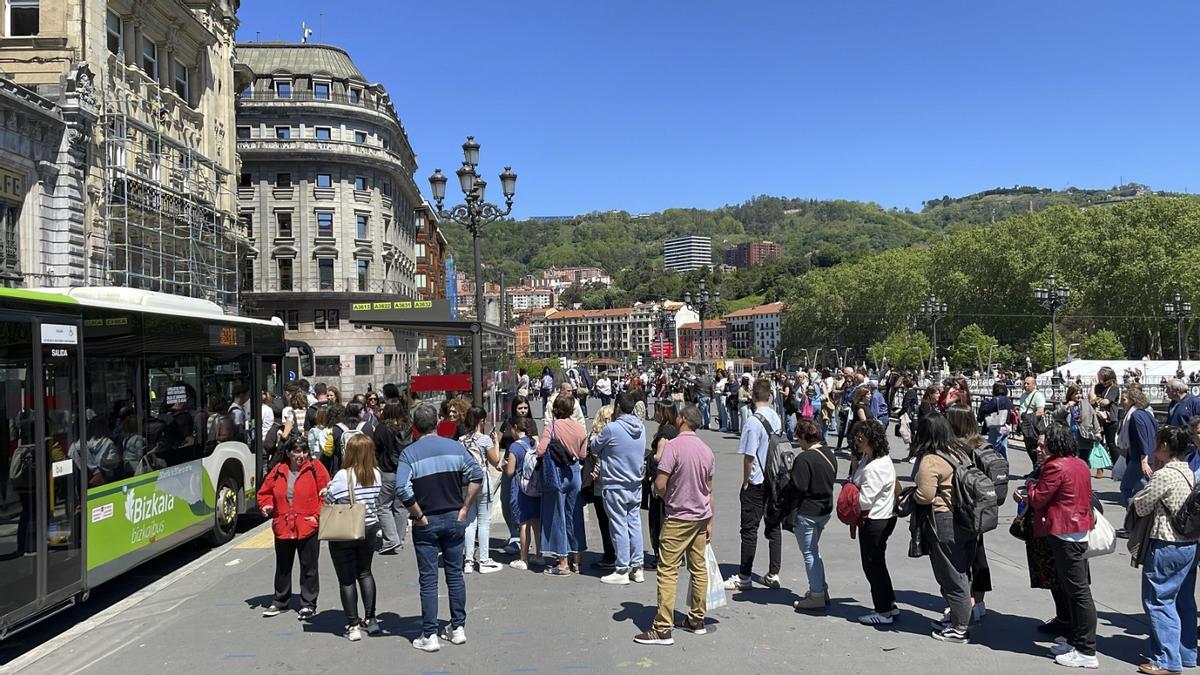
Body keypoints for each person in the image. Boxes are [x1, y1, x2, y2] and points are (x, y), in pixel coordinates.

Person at [396, 403, 484, 652]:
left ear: (415, 427)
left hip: (426, 521)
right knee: (455, 575)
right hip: (454, 516)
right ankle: (458, 628)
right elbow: (477, 474)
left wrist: (418, 514)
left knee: (429, 579)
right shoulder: (455, 447)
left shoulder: (409, 454)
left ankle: (429, 634)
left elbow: (401, 488)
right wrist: (465, 507)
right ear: (437, 423)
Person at [1017, 423, 1099, 670]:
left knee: (1078, 591)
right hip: (1077, 528)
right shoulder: (1078, 463)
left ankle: (1086, 649)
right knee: (1074, 589)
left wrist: (1029, 487)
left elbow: (1038, 498)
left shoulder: (1055, 466)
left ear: (1054, 444)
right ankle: (1077, 642)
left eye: (1044, 444)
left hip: (1064, 531)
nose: (1040, 448)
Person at [634, 405, 715, 646]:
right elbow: (709, 490)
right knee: (697, 567)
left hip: (678, 516)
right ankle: (696, 618)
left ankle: (662, 628)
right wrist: (710, 520)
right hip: (700, 516)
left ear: (682, 420)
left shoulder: (674, 447)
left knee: (668, 569)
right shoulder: (707, 451)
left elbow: (660, 483)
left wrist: (668, 497)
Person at [1133, 427, 1198, 675]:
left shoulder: (1164, 475)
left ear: (1164, 447)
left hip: (1166, 542)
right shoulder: (1188, 471)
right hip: (1189, 543)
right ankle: (1186, 654)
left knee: (1158, 601)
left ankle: (1167, 660)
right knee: (1183, 600)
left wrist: (1135, 501)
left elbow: (1142, 505)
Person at [911, 414, 977, 644]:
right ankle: (960, 618)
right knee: (962, 569)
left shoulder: (931, 459)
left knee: (950, 573)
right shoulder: (959, 451)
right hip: (965, 517)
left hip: (943, 518)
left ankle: (960, 628)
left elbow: (925, 495)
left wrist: (912, 496)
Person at [257, 435, 330, 620]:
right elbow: (264, 492)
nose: (301, 455)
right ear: (288, 452)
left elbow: (327, 494)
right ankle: (280, 600)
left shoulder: (316, 468)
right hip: (283, 525)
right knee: (283, 566)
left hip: (307, 526)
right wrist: (266, 506)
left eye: (304, 451)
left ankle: (308, 603)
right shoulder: (278, 470)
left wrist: (316, 516)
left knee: (309, 567)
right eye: (297, 451)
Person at [322, 434, 384, 641]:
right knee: (365, 572)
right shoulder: (376, 474)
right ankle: (372, 619)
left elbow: (330, 499)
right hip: (369, 527)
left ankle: (353, 624)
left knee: (346, 578)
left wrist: (326, 492)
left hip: (347, 529)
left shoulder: (343, 475)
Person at [725, 379, 783, 591]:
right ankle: (774, 573)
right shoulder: (776, 417)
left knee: (749, 528)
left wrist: (745, 482)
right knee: (773, 525)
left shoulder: (752, 421)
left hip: (757, 480)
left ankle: (744, 575)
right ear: (769, 396)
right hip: (774, 477)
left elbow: (749, 456)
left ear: (752, 396)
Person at [592, 392, 647, 585]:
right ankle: (637, 567)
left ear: (617, 407)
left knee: (618, 526)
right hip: (635, 482)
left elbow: (594, 446)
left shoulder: (612, 428)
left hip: (615, 482)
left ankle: (622, 568)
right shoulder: (641, 427)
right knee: (634, 524)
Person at [944, 406, 992, 625]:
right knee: (978, 555)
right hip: (982, 505)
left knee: (961, 557)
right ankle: (978, 602)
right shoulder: (981, 442)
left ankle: (966, 604)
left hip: (963, 505)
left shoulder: (957, 447)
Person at [849, 419, 898, 625]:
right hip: (882, 517)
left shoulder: (874, 467)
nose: (857, 442)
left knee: (872, 565)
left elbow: (865, 500)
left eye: (861, 438)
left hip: (875, 519)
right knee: (878, 563)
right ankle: (889, 604)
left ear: (871, 440)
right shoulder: (871, 459)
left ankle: (883, 611)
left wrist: (850, 494)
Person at [786, 418, 837, 610]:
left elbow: (797, 487)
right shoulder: (828, 454)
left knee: (810, 553)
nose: (798, 442)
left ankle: (816, 594)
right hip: (824, 509)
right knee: (814, 551)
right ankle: (821, 588)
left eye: (798, 438)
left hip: (807, 511)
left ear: (804, 437)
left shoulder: (804, 458)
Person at [537, 394, 588, 577]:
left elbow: (540, 450)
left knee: (557, 516)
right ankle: (577, 558)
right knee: (574, 514)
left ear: (555, 409)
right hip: (574, 473)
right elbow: (582, 455)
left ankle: (562, 562)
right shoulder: (580, 429)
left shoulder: (551, 427)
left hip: (556, 473)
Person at [459, 406, 504, 574]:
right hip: (483, 481)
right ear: (482, 421)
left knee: (470, 522)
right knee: (484, 522)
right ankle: (484, 559)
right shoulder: (485, 439)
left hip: (467, 483)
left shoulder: (461, 440)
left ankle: (468, 561)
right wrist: (496, 442)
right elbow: (495, 461)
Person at [498, 395, 539, 553]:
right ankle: (514, 534)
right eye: (520, 408)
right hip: (509, 465)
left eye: (525, 408)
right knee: (505, 501)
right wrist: (498, 459)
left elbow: (535, 443)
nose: (523, 411)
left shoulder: (531, 423)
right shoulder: (507, 423)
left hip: (524, 468)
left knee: (519, 503)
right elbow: (499, 441)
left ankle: (521, 538)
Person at [373, 400, 413, 555]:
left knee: (383, 505)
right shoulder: (408, 427)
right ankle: (399, 539)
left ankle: (391, 539)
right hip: (405, 471)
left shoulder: (382, 428)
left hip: (387, 471)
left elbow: (375, 449)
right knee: (401, 506)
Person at [644, 402, 679, 567]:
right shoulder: (674, 429)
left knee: (659, 517)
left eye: (657, 411)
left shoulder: (665, 433)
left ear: (663, 413)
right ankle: (673, 554)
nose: (655, 414)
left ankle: (662, 555)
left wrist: (648, 456)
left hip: (661, 480)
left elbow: (660, 456)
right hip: (672, 481)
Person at [504, 416, 542, 570]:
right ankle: (539, 555)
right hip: (535, 487)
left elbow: (510, 472)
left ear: (515, 427)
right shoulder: (533, 442)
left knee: (523, 524)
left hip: (520, 489)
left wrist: (505, 465)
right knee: (536, 522)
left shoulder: (515, 447)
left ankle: (523, 558)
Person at [585, 405, 617, 569]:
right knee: (611, 521)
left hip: (601, 481)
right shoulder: (613, 434)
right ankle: (613, 553)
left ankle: (610, 555)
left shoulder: (598, 436)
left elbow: (593, 453)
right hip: (608, 481)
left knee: (606, 521)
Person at [1122, 385, 1159, 508]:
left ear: (1132, 400)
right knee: (1145, 487)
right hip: (1150, 455)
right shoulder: (1146, 413)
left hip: (1139, 458)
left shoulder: (1136, 415)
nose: (1122, 403)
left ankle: (1135, 516)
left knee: (1126, 487)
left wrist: (1143, 460)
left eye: (1124, 400)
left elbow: (1142, 437)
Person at [1091, 366, 1121, 462]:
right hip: (1098, 418)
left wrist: (1096, 399)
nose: (1099, 378)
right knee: (1098, 441)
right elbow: (1091, 399)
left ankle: (1116, 463)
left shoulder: (1114, 388)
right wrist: (1092, 386)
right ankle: (1101, 463)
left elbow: (1106, 402)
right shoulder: (1098, 387)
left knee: (1111, 442)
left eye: (1101, 376)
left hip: (1110, 418)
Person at [977, 381, 1013, 461]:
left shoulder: (995, 400)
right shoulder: (1008, 400)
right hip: (1006, 426)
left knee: (993, 447)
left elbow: (987, 409)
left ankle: (994, 464)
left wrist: (985, 403)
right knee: (1003, 448)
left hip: (997, 425)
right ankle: (1005, 464)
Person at [1018, 376, 1047, 468]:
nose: (1025, 385)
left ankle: (1039, 470)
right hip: (1025, 425)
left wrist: (1027, 417)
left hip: (1033, 426)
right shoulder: (1023, 395)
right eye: (1024, 383)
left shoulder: (1037, 395)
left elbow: (1040, 411)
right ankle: (1035, 469)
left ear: (1034, 385)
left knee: (1035, 448)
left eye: (1028, 384)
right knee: (1029, 448)